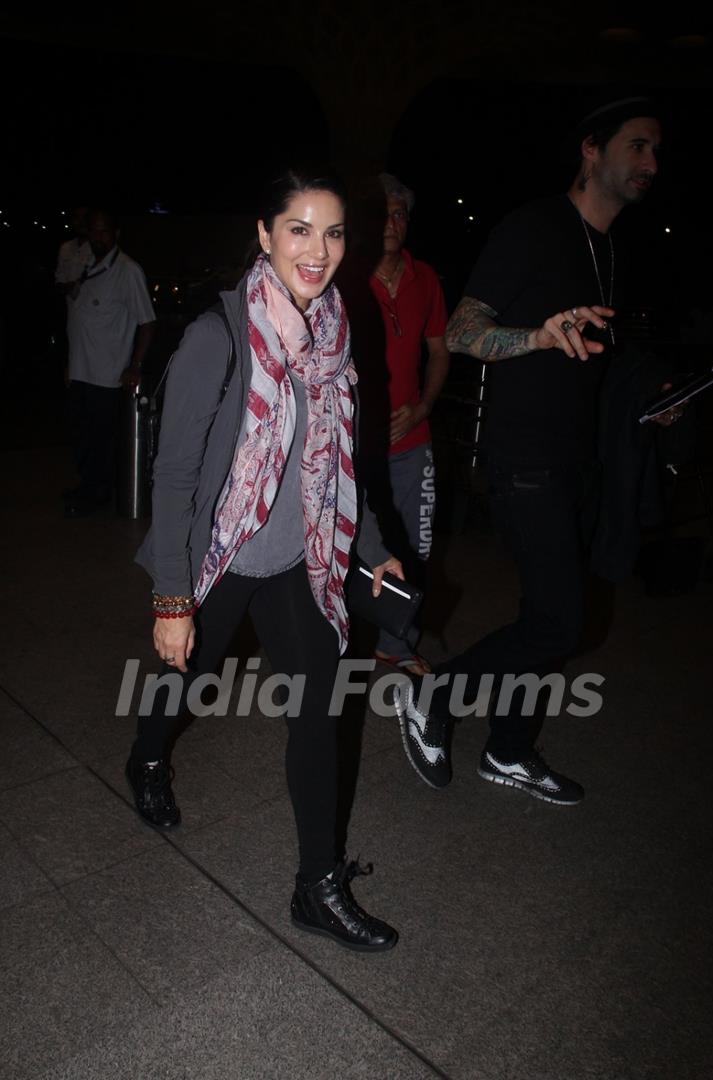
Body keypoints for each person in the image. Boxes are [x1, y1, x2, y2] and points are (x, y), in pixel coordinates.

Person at [129, 168, 402, 952]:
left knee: (320, 715)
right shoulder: (218, 337)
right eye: (299, 229)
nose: (318, 251)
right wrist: (174, 601)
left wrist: (374, 550)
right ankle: (146, 758)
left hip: (298, 562)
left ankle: (317, 885)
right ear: (264, 233)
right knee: (186, 681)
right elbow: (176, 475)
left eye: (335, 232)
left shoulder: (336, 333)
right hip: (218, 558)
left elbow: (343, 459)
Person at [393, 97, 679, 800]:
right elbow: (462, 331)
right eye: (637, 146)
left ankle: (509, 748)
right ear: (592, 148)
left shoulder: (609, 248)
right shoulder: (533, 227)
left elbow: (598, 359)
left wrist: (654, 400)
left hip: (581, 458)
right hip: (525, 460)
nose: (650, 164)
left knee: (545, 619)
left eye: (656, 152)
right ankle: (436, 695)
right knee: (561, 620)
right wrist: (536, 337)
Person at [364, 174, 450, 678]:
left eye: (399, 214)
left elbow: (438, 352)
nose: (391, 222)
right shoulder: (347, 278)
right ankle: (336, 634)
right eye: (382, 213)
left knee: (415, 545)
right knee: (351, 539)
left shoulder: (427, 279)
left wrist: (421, 409)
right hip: (358, 444)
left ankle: (396, 643)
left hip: (412, 440)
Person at [64, 209, 156, 516]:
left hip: (106, 374)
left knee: (101, 441)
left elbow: (147, 322)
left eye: (104, 232)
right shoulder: (85, 264)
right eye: (94, 232)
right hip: (80, 369)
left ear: (116, 234)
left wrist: (135, 366)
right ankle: (88, 487)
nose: (98, 238)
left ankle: (97, 495)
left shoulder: (128, 271)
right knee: (82, 436)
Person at [55, 206, 93, 298]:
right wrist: (66, 287)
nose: (81, 222)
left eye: (85, 217)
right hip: (71, 309)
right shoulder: (65, 248)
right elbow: (59, 279)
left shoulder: (98, 247)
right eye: (77, 217)